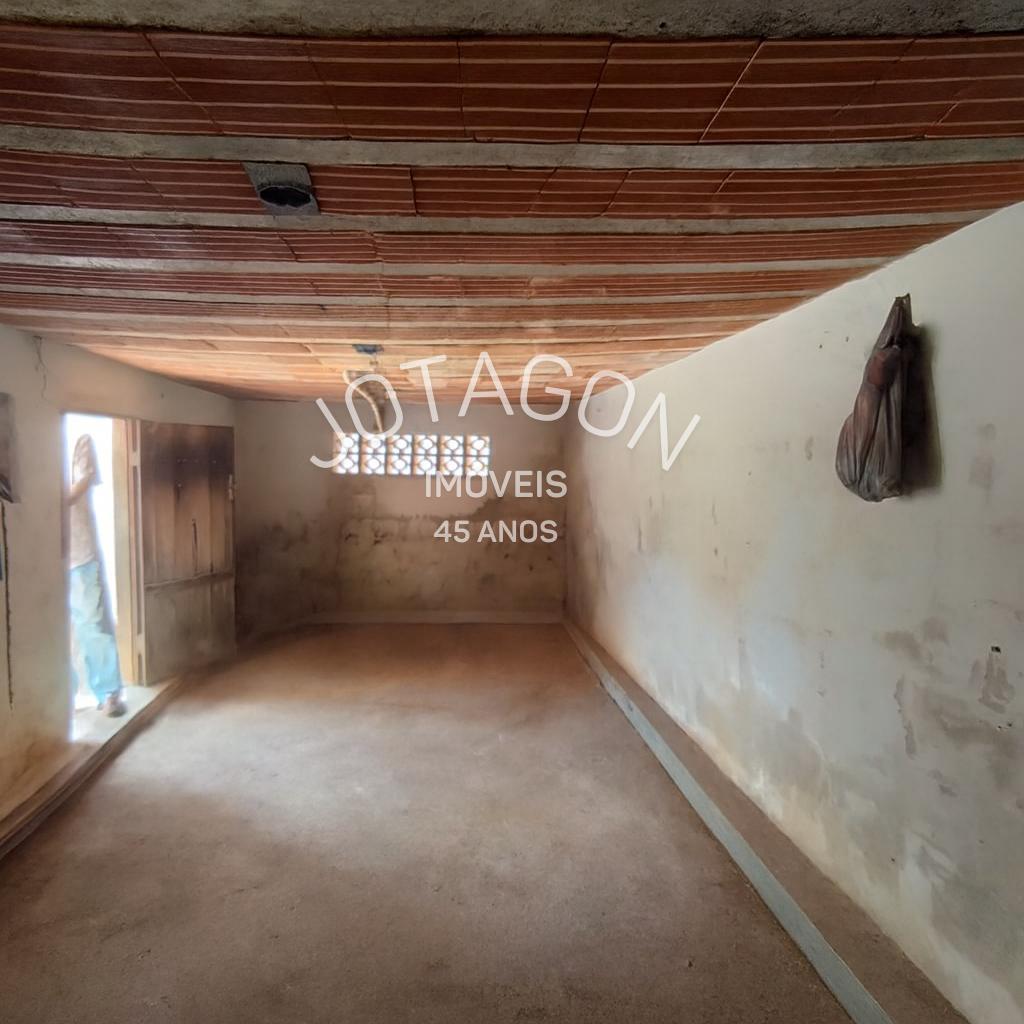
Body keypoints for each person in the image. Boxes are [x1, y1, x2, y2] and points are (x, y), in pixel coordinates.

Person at [67, 434, 125, 717]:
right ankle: (61, 698)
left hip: (79, 551)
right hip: (39, 553)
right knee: (50, 630)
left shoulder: (79, 437)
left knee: (91, 624)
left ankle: (108, 693)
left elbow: (82, 482)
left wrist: (45, 503)